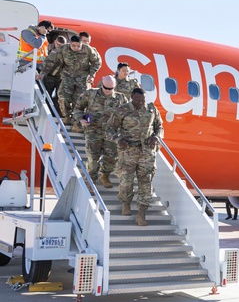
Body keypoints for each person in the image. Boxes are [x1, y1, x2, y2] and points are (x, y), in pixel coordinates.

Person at [108, 88, 163, 226]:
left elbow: (160, 127)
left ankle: (141, 214)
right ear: (132, 97)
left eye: (142, 100)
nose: (140, 103)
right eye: (137, 100)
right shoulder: (122, 110)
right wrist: (118, 139)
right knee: (126, 181)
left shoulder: (151, 110)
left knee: (146, 183)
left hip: (147, 153)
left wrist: (156, 137)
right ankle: (126, 203)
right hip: (128, 152)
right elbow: (109, 128)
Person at [74, 75, 127, 188]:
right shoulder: (90, 94)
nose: (108, 91)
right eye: (105, 88)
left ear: (115, 86)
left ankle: (105, 175)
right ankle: (90, 183)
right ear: (101, 85)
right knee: (93, 160)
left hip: (111, 133)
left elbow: (127, 115)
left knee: (111, 158)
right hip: (93, 131)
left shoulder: (121, 98)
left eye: (110, 88)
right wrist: (81, 119)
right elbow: (78, 108)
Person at [42, 33, 101, 125]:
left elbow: (96, 62)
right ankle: (66, 116)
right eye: (74, 45)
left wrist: (92, 75)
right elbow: (50, 60)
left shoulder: (88, 50)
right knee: (63, 97)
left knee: (80, 99)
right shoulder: (63, 49)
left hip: (82, 77)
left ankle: (77, 121)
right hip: (67, 76)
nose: (76, 48)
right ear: (70, 43)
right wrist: (42, 73)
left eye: (78, 46)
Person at [41, 34, 67, 102]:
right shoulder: (47, 48)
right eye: (58, 45)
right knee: (47, 95)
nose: (59, 48)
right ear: (55, 41)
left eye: (62, 46)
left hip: (60, 76)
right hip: (49, 75)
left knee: (59, 97)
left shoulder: (66, 51)